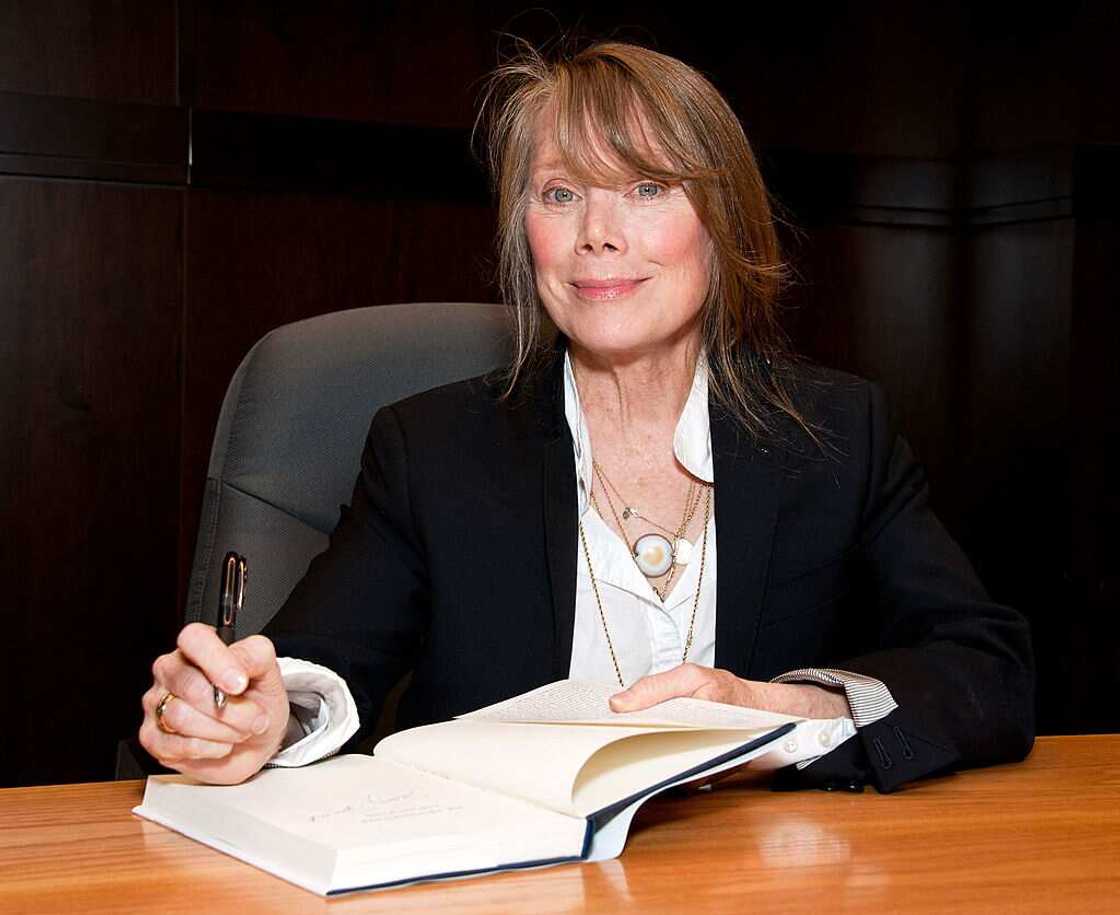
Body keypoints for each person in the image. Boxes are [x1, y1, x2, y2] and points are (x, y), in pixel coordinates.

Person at [138, 40, 1034, 792]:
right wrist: (252, 714)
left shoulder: (838, 435)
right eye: (561, 193)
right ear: (525, 233)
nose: (597, 232)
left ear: (723, 225)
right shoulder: (430, 450)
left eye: (647, 188)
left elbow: (989, 669)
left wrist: (787, 711)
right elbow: (318, 668)